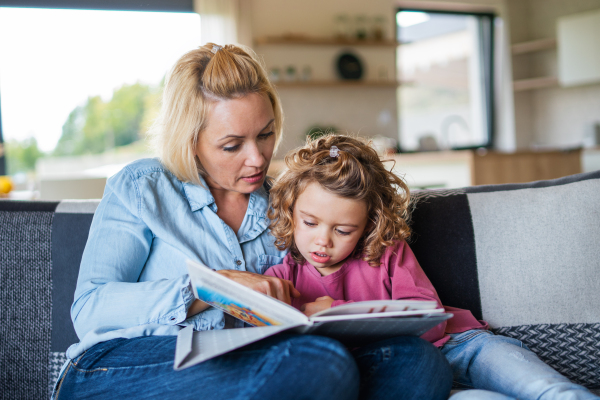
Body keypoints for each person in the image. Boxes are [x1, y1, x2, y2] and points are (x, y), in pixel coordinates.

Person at [51, 43, 453, 400]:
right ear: (189, 139)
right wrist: (209, 288)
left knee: (417, 362)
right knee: (315, 364)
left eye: (265, 135)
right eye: (232, 145)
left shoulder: (287, 204)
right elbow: (90, 309)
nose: (258, 158)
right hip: (119, 366)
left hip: (254, 360)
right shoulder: (142, 189)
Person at [264, 134, 600, 400]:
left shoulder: (385, 251)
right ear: (291, 211)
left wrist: (335, 311)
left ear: (368, 224)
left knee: (555, 393)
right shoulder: (280, 280)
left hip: (461, 347)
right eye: (309, 222)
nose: (322, 241)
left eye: (343, 230)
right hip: (402, 374)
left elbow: (430, 324)